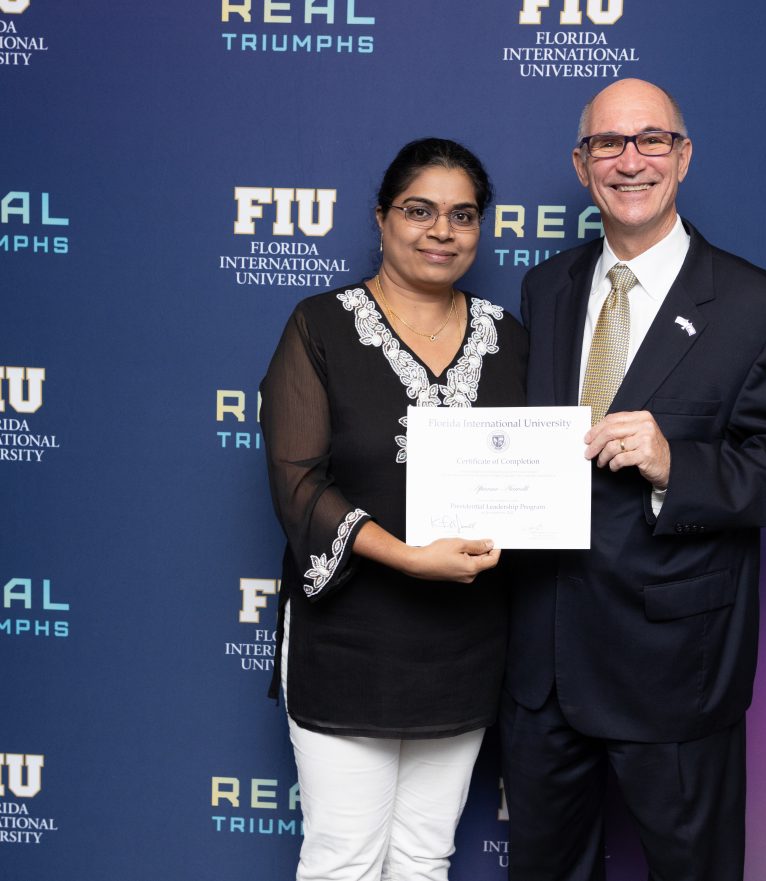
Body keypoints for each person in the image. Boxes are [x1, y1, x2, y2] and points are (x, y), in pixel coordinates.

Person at [501, 79, 766, 881]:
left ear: (683, 156)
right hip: (545, 666)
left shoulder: (758, 308)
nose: (630, 160)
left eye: (652, 140)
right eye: (608, 144)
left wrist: (676, 465)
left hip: (675, 667)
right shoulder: (546, 287)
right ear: (582, 166)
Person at [260, 138, 527, 881]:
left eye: (463, 215)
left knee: (423, 856)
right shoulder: (320, 326)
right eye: (420, 210)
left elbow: (536, 475)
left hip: (466, 643)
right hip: (350, 640)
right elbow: (297, 482)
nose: (442, 230)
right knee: (344, 858)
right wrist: (410, 555)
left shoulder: (512, 341)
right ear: (381, 219)